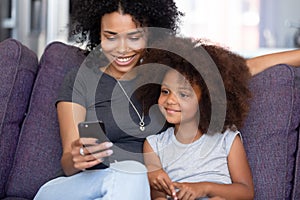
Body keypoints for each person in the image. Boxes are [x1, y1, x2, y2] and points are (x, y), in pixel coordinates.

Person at [34, 0, 300, 199]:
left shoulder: (166, 76)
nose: (122, 49)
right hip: (79, 188)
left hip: (137, 191)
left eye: (134, 37)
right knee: (132, 173)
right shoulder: (80, 79)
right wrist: (77, 156)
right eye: (110, 37)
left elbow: (241, 68)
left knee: (136, 178)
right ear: (97, 34)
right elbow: (68, 163)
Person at [143, 37, 254, 200]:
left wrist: (204, 188)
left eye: (183, 94)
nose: (170, 100)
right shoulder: (154, 145)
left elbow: (246, 192)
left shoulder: (227, 139)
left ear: (207, 100)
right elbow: (157, 196)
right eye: (165, 91)